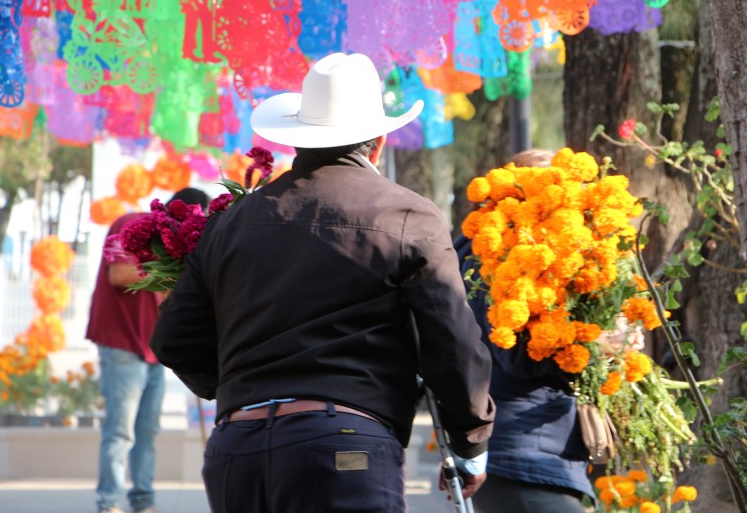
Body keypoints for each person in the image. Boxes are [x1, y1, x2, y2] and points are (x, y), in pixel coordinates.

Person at [150, 52, 495, 513]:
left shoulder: (233, 221)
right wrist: (470, 443)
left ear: (298, 141)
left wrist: (244, 388)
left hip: (239, 445)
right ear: (378, 143)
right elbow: (452, 341)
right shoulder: (408, 216)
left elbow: (174, 338)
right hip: (346, 443)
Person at [455, 149, 644, 513]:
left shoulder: (501, 256)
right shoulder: (496, 260)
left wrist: (612, 340)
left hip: (529, 449)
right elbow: (515, 354)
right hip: (524, 454)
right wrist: (598, 342)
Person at [87, 187, 209, 513]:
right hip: (122, 343)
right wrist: (171, 271)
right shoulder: (129, 223)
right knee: (120, 431)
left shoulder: (178, 248)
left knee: (147, 432)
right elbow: (119, 274)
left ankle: (143, 502)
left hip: (153, 347)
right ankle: (108, 503)